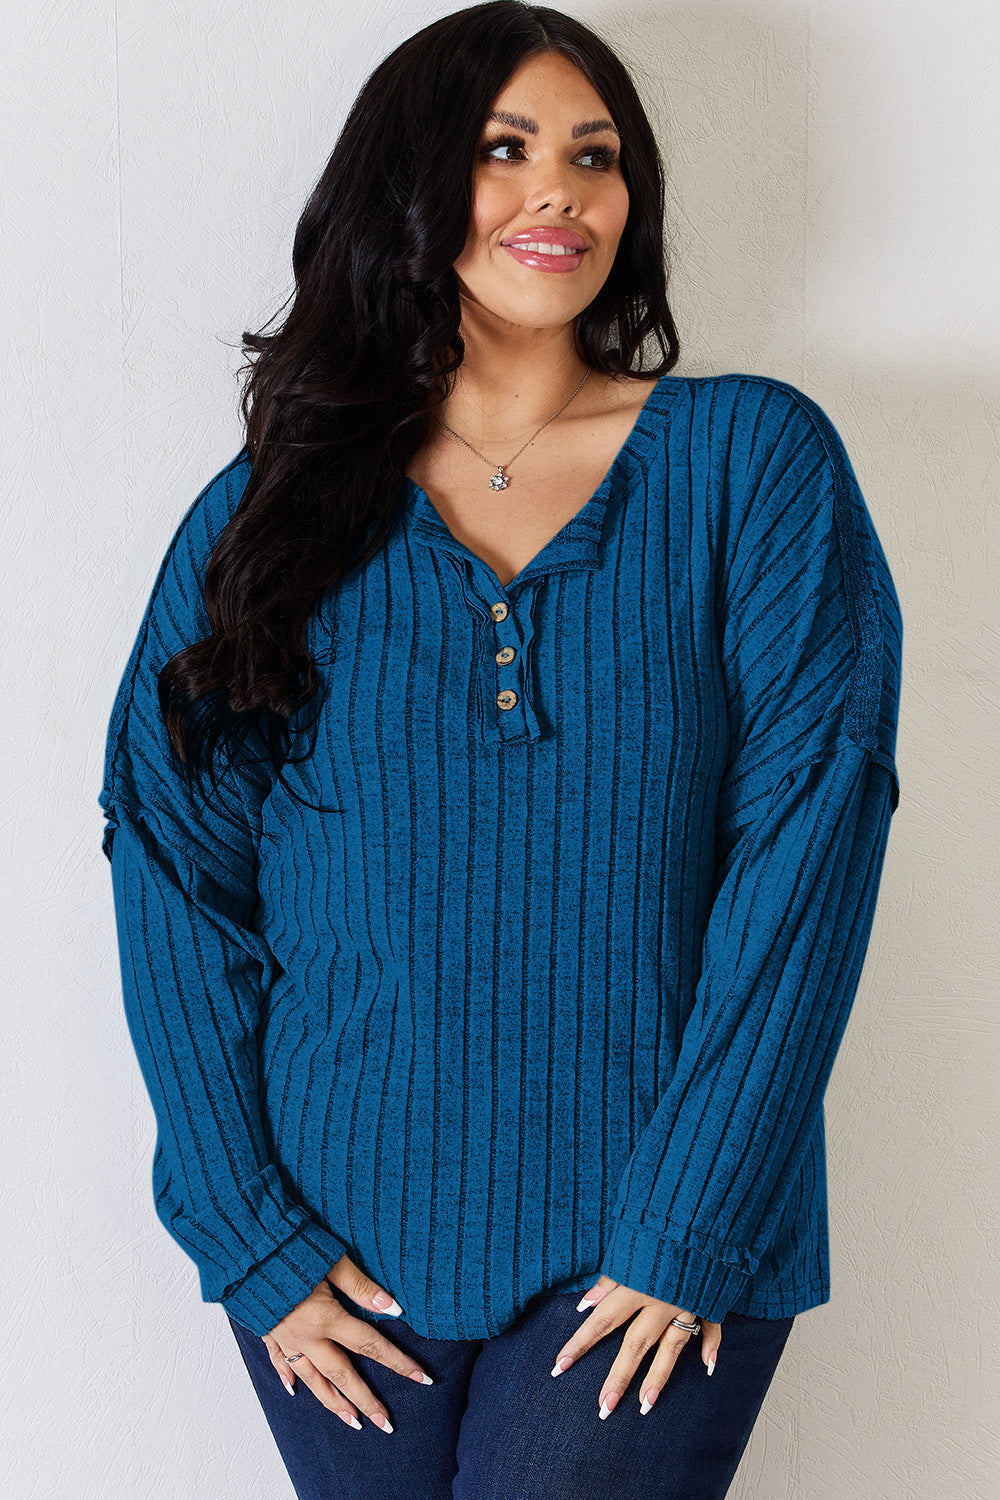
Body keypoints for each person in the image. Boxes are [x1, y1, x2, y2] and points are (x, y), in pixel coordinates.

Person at [97, 3, 903, 1496]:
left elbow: (814, 841)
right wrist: (249, 1234)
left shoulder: (749, 464)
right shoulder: (272, 513)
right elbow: (168, 867)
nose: (560, 193)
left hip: (654, 1241)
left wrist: (694, 1223)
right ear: (405, 188)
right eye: (503, 150)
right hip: (340, 1254)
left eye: (596, 158)